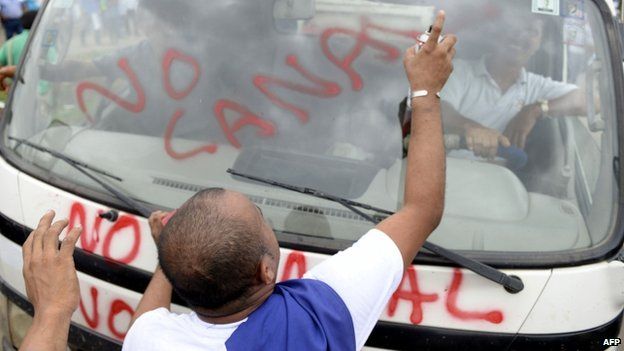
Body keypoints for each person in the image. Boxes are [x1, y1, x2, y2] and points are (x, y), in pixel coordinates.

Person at [18, 11, 455, 350]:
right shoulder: (315, 319)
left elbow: (145, 327)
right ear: (268, 270)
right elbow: (421, 209)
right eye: (261, 217)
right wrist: (425, 91)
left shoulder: (155, 341)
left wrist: (55, 313)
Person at [439, 4, 587, 159]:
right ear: (498, 33)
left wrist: (535, 110)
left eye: (532, 31)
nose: (521, 35)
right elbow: (437, 110)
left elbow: (591, 100)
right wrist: (471, 128)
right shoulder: (458, 71)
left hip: (500, 180)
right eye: (515, 26)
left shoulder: (535, 86)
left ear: (538, 44)